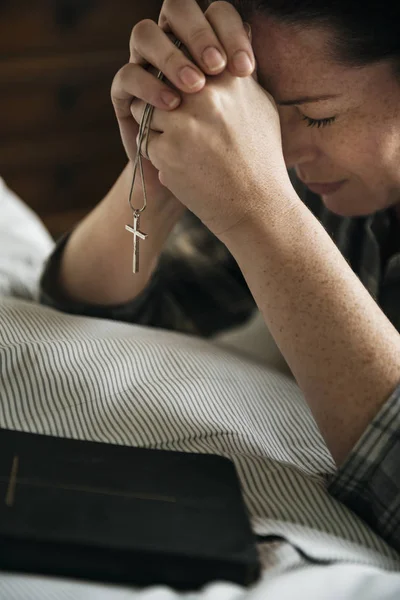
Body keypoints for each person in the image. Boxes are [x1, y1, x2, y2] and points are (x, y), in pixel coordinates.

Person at [1, 0, 400, 597]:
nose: (282, 156)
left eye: (315, 118)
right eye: (262, 114)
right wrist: (157, 160)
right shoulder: (341, 195)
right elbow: (106, 311)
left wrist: (262, 211)